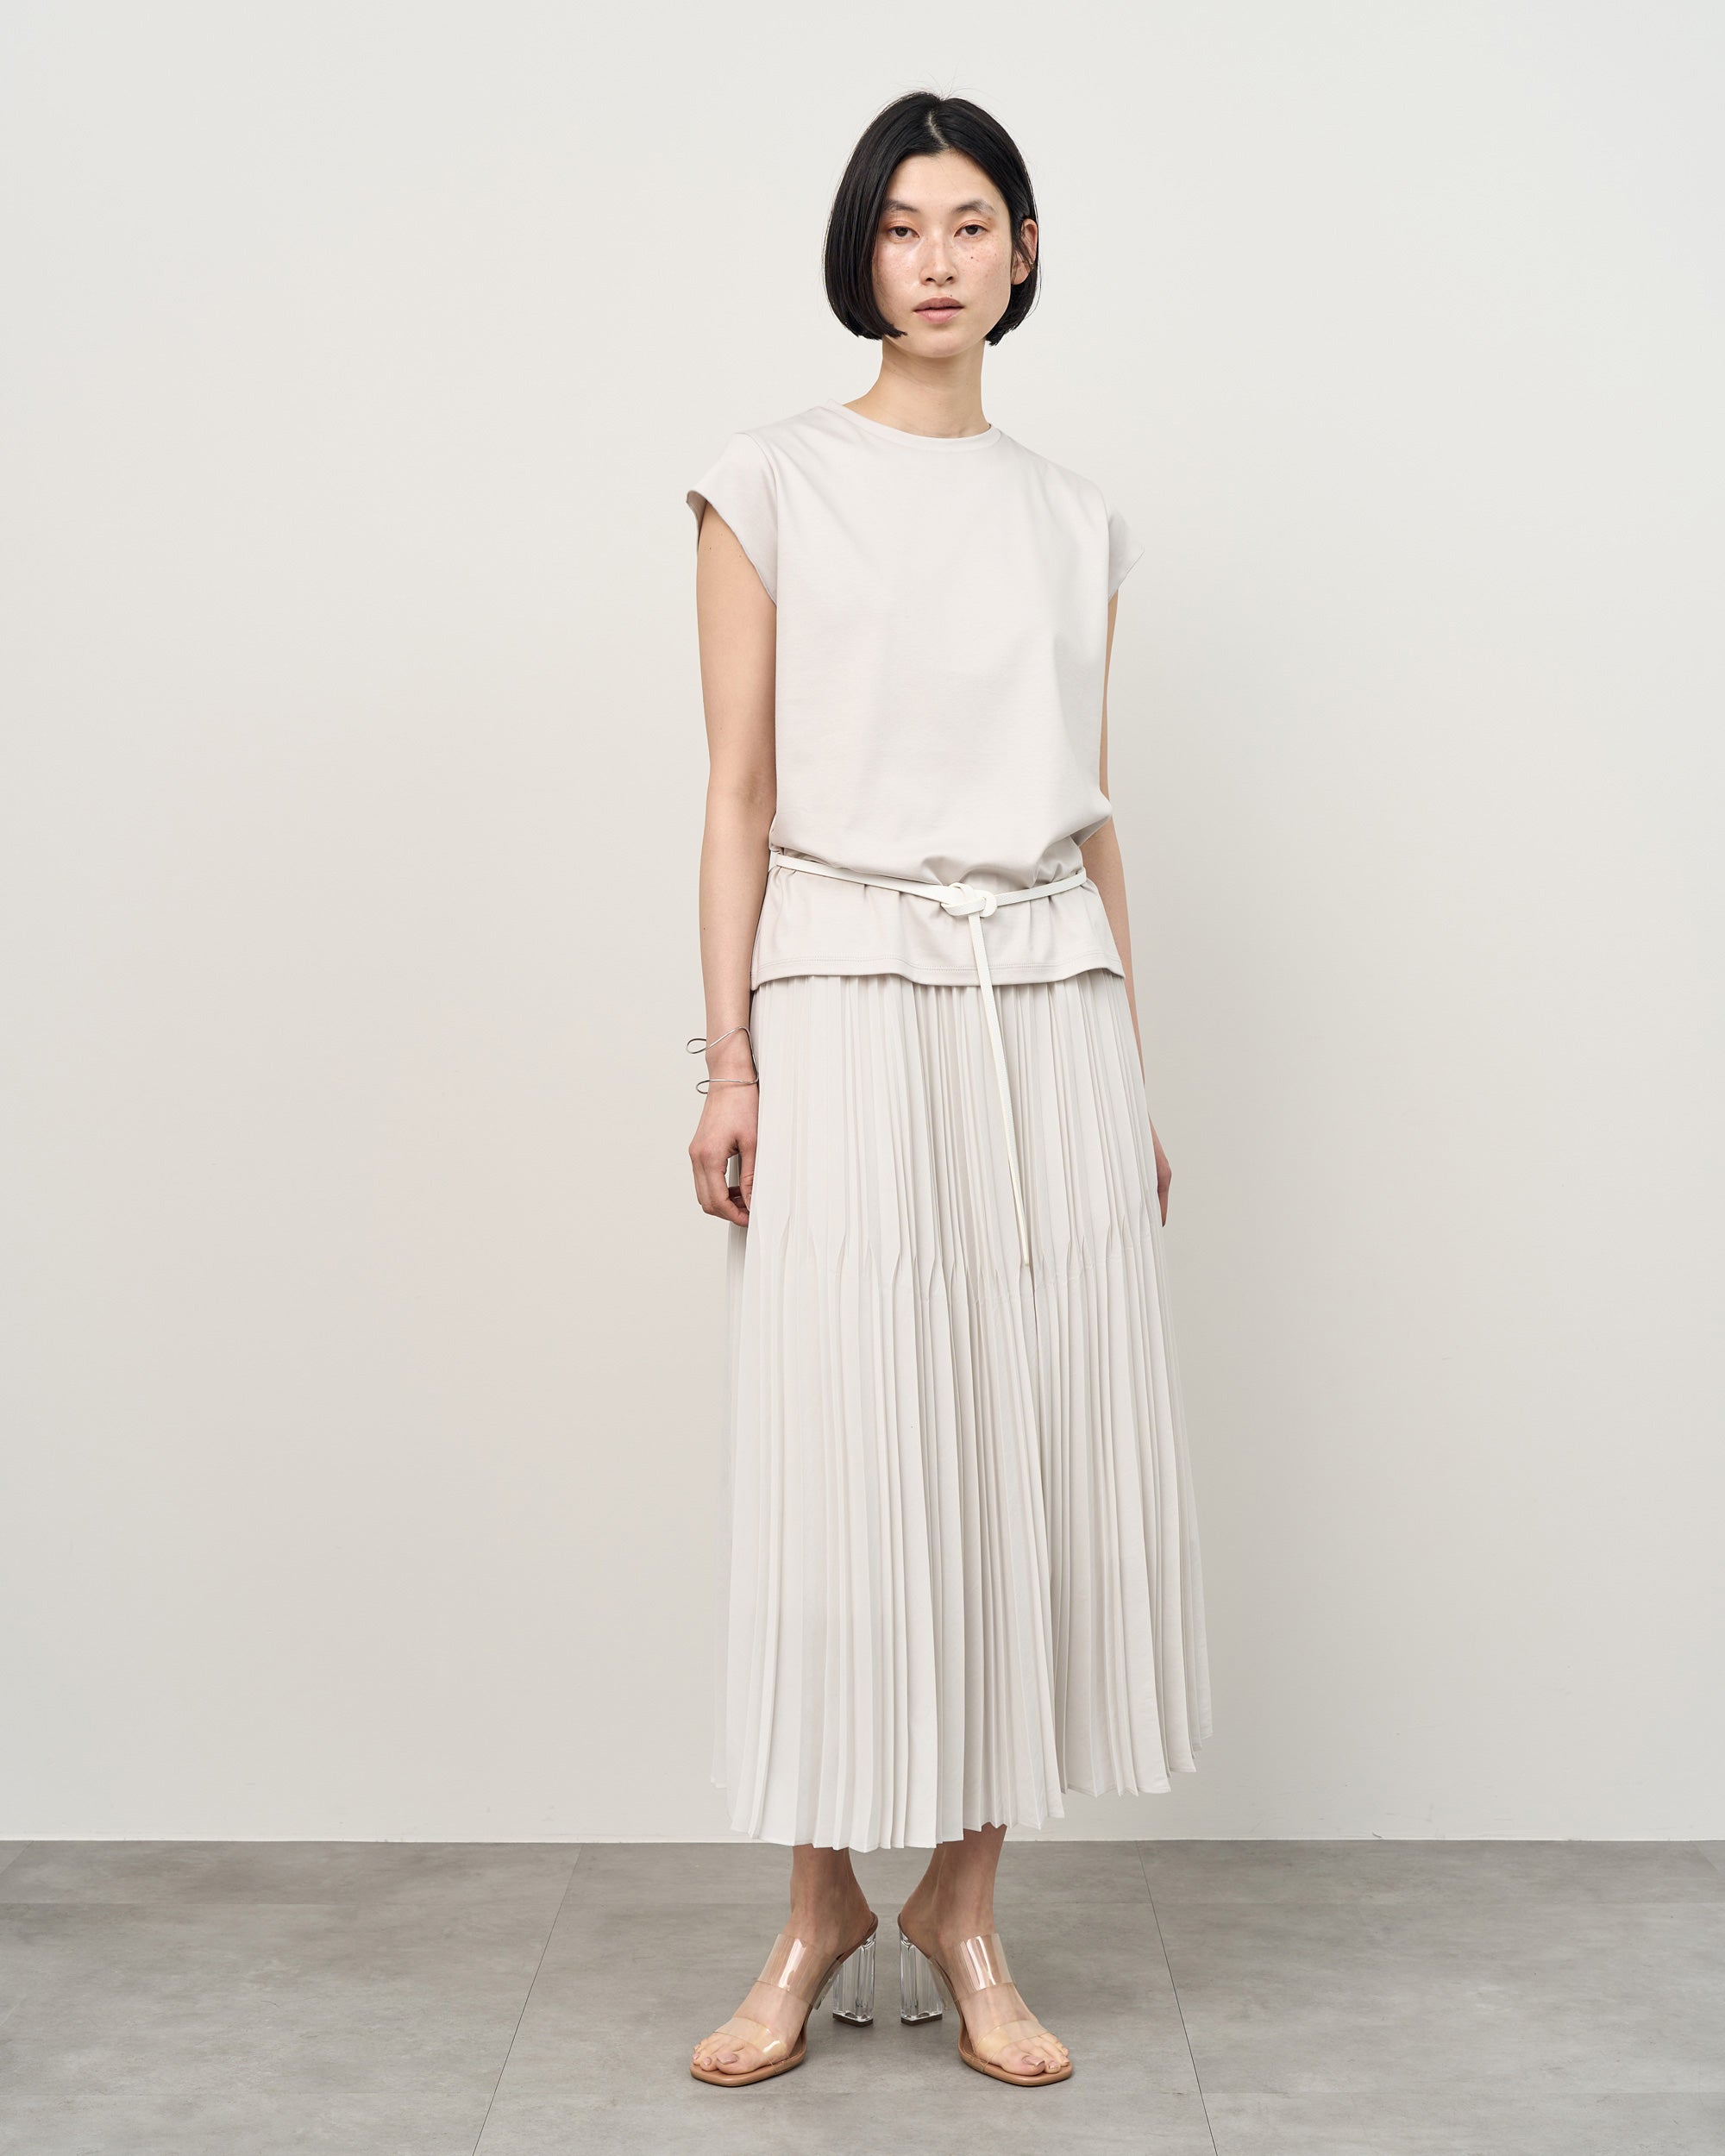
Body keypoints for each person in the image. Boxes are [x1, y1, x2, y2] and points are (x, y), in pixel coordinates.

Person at [682, 89, 1212, 2090]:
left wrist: (1126, 1071)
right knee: (846, 1451)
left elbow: (1091, 811)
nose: (934, 257)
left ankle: (965, 1907)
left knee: (1024, 1457)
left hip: (1046, 1007)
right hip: (843, 987)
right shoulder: (768, 481)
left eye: (970, 221)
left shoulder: (1076, 517)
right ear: (859, 251)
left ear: (1023, 253)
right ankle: (817, 1902)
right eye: (901, 224)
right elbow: (738, 792)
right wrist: (731, 1059)